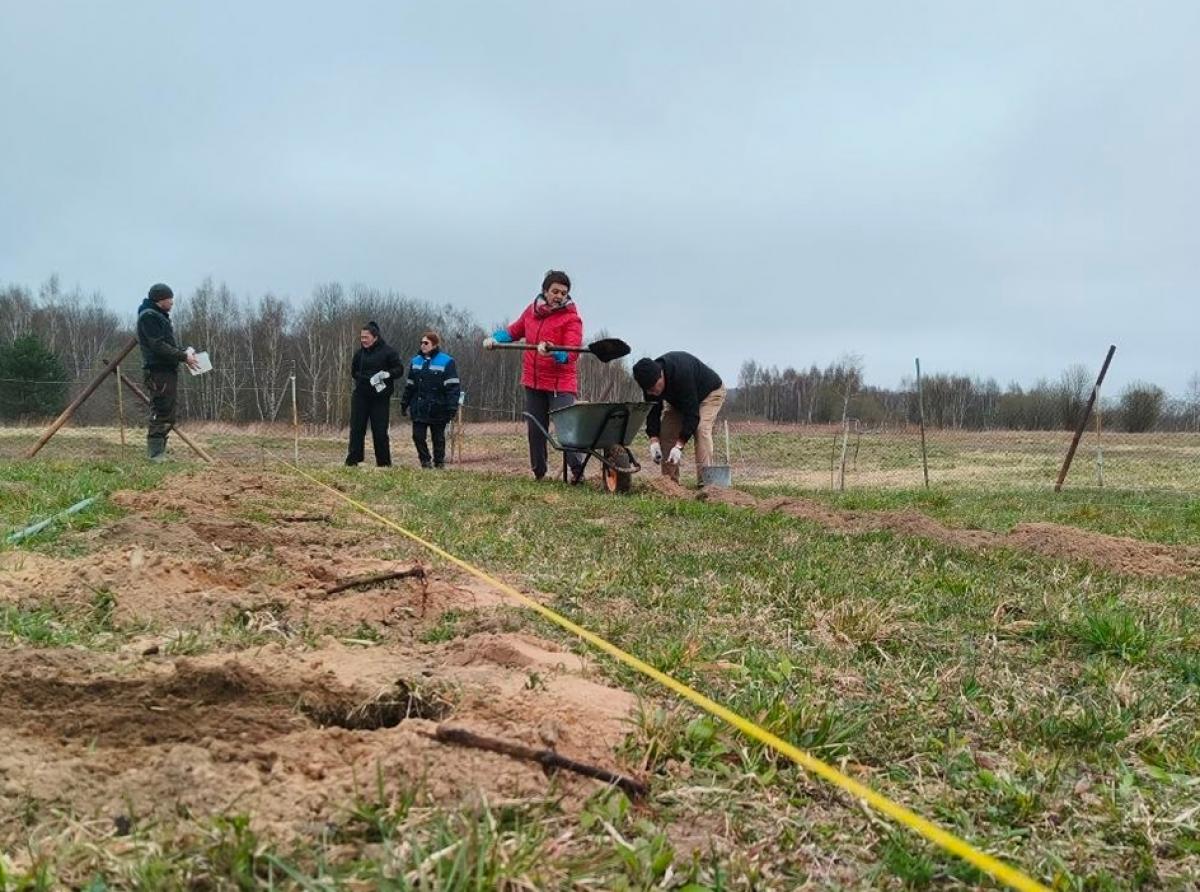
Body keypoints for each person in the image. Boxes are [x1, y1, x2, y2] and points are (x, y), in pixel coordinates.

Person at [483, 270, 586, 482]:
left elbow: (572, 352)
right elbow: (513, 331)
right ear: (544, 291)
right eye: (555, 291)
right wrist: (494, 339)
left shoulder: (571, 319)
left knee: (566, 429)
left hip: (560, 383)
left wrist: (554, 351)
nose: (559, 296)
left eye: (563, 293)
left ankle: (577, 471)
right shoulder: (531, 312)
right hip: (533, 381)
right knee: (535, 430)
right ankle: (539, 473)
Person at [631, 352, 726, 484]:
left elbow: (692, 414)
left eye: (653, 388)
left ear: (661, 376)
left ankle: (707, 484)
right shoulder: (649, 382)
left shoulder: (681, 373)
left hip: (709, 393)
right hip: (680, 401)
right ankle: (669, 484)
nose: (651, 393)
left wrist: (679, 446)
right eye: (648, 390)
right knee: (666, 433)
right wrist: (654, 439)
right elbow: (653, 411)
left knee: (701, 429)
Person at [136, 282, 200, 462]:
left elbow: (168, 344)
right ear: (160, 299)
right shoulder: (149, 317)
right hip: (158, 371)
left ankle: (161, 450)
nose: (172, 302)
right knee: (161, 410)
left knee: (168, 411)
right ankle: (155, 454)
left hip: (166, 370)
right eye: (169, 299)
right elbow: (158, 346)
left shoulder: (159, 316)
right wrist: (182, 356)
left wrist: (184, 352)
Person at [400, 330, 461, 468]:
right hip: (419, 407)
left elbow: (453, 386)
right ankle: (425, 461)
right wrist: (404, 403)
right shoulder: (415, 361)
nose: (422, 345)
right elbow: (410, 385)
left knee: (438, 438)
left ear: (434, 345)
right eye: (421, 343)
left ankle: (439, 463)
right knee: (417, 436)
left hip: (438, 407)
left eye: (426, 343)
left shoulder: (447, 361)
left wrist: (452, 407)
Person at [345, 321, 403, 467]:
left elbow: (399, 369)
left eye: (366, 337)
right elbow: (354, 371)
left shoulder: (389, 352)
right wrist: (363, 378)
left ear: (375, 337)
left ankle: (383, 463)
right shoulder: (359, 354)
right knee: (357, 428)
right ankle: (354, 460)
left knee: (380, 431)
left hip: (380, 398)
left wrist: (386, 374)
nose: (363, 340)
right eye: (362, 337)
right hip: (361, 396)